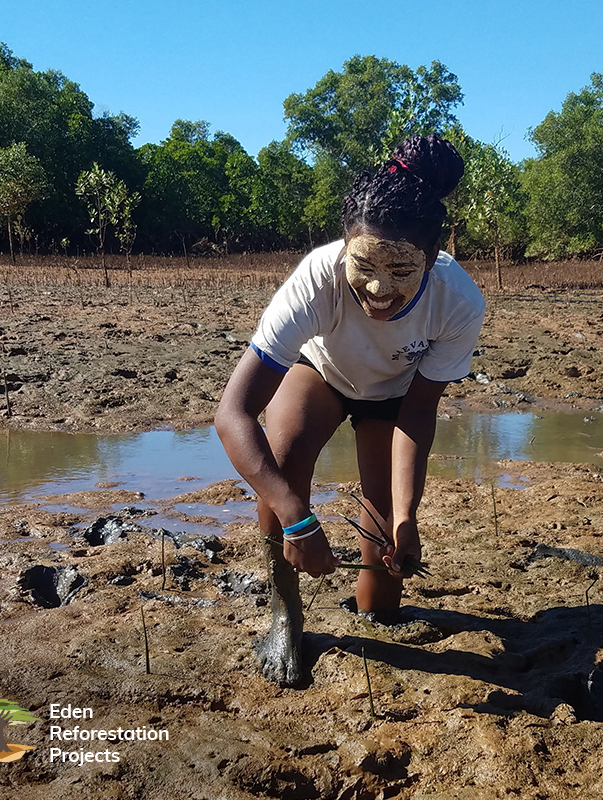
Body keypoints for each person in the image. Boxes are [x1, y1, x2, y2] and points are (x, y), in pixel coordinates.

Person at [214, 134, 485, 686]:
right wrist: (297, 516)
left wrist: (407, 516)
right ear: (344, 246)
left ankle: (375, 605)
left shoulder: (458, 302)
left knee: (385, 570)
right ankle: (284, 615)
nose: (380, 290)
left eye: (403, 271)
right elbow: (233, 414)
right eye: (364, 266)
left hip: (395, 393)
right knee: (283, 466)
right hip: (321, 373)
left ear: (434, 260)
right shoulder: (317, 280)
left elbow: (418, 413)